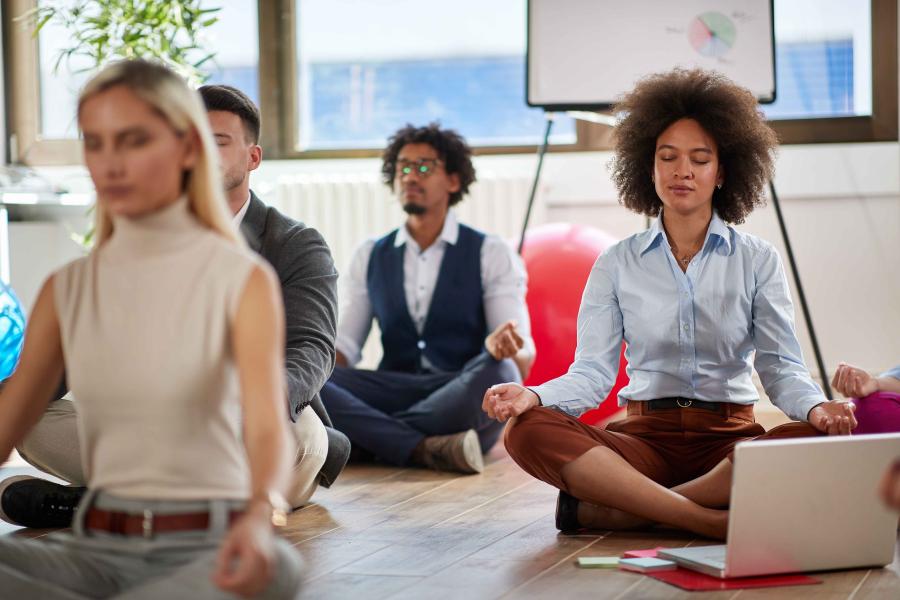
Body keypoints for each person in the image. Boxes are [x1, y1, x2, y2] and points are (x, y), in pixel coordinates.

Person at [484, 68, 857, 540]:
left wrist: (817, 409)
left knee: (820, 437)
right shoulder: (615, 264)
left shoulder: (758, 260)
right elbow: (593, 375)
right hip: (642, 443)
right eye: (669, 157)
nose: (683, 171)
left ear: (722, 172)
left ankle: (626, 509)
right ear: (649, 167)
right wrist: (532, 396)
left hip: (728, 443)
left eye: (700, 159)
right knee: (525, 428)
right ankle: (703, 517)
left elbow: (780, 368)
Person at [0, 60, 301, 598]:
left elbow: (265, 427)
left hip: (207, 547)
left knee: (277, 566)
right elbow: (8, 423)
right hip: (91, 544)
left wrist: (259, 517)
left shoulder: (242, 279)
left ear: (187, 150)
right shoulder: (67, 288)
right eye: (96, 142)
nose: (111, 163)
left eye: (134, 140)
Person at [321, 123, 535, 474]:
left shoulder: (489, 251)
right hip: (395, 386)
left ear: (453, 181)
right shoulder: (371, 254)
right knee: (303, 377)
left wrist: (502, 346)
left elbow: (521, 358)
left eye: (423, 167)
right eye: (403, 167)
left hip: (460, 389)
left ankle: (369, 438)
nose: (409, 176)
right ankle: (423, 447)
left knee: (501, 371)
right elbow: (344, 347)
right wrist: (306, 364)